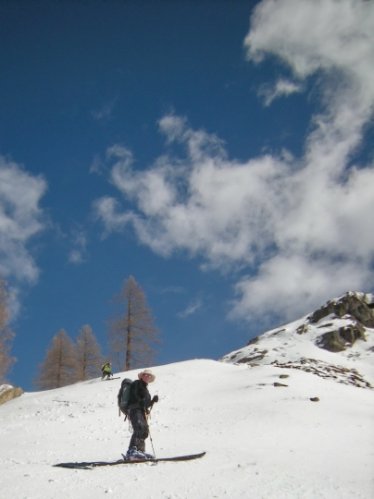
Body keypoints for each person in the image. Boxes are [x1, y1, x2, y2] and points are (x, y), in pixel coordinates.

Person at [125, 369, 158, 460]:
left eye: (149, 376)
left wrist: (152, 402)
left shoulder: (145, 389)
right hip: (134, 409)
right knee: (139, 427)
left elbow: (145, 404)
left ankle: (140, 451)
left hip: (141, 411)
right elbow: (134, 395)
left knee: (144, 430)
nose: (147, 376)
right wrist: (141, 400)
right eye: (145, 375)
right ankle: (132, 451)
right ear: (142, 376)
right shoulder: (137, 383)